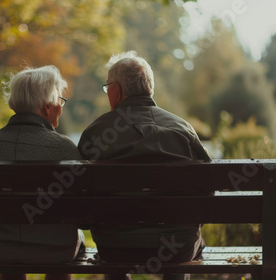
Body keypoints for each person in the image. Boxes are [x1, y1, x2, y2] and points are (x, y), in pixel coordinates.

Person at [78, 51, 211, 280]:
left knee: (115, 239)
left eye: (108, 87)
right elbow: (206, 194)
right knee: (182, 237)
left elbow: (80, 199)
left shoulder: (97, 133)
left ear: (116, 90)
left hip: (115, 247)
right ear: (149, 87)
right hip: (175, 248)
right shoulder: (183, 130)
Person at [0, 65, 84, 280]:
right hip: (55, 250)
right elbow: (81, 208)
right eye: (60, 100)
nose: (61, 106)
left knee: (12, 241)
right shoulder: (64, 149)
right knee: (69, 238)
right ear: (47, 106)